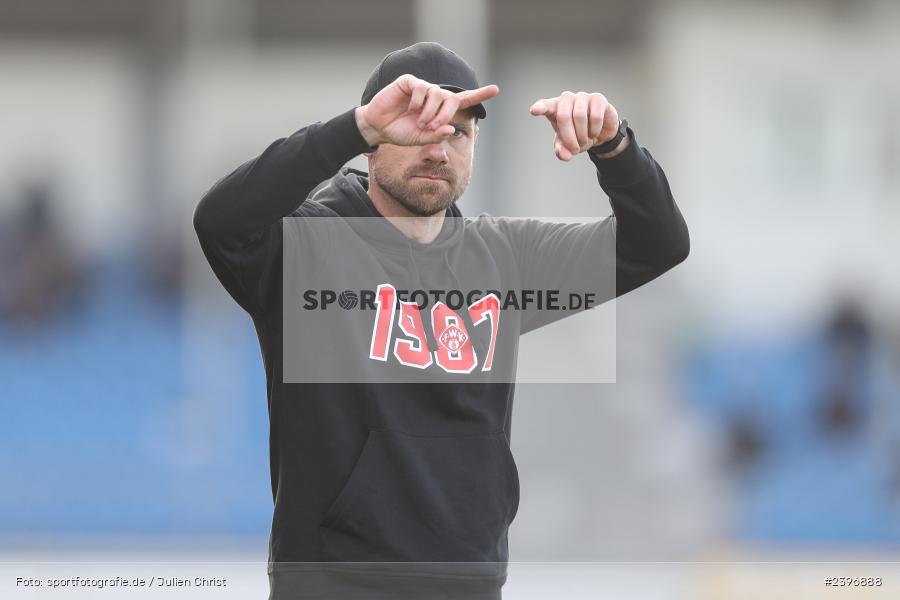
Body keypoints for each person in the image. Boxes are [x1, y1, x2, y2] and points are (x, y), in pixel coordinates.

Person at [194, 42, 689, 600]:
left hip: (469, 582)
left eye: (458, 132)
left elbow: (657, 244)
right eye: (417, 128)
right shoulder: (305, 248)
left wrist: (615, 147)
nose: (438, 148)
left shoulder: (505, 259)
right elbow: (220, 222)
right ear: (372, 144)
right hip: (332, 581)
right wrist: (353, 127)